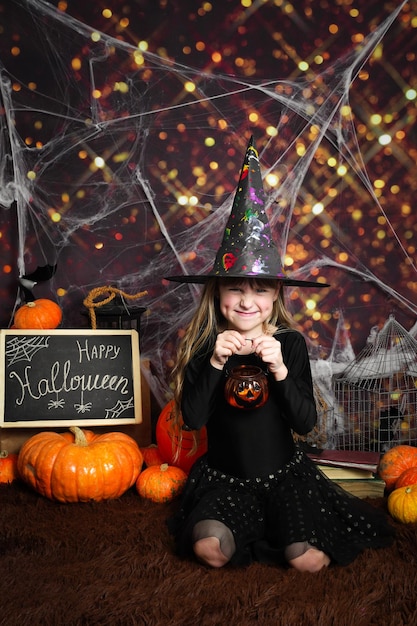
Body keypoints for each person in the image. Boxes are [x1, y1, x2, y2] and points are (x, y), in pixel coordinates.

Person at [166, 137, 394, 572]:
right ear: (218, 295)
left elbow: (306, 423)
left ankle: (288, 537)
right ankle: (233, 528)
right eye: (235, 288)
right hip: (224, 479)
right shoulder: (206, 344)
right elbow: (192, 420)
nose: (247, 301)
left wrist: (280, 370)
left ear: (275, 296)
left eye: (260, 290)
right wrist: (214, 364)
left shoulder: (288, 343)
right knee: (208, 548)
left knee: (306, 558)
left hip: (284, 478)